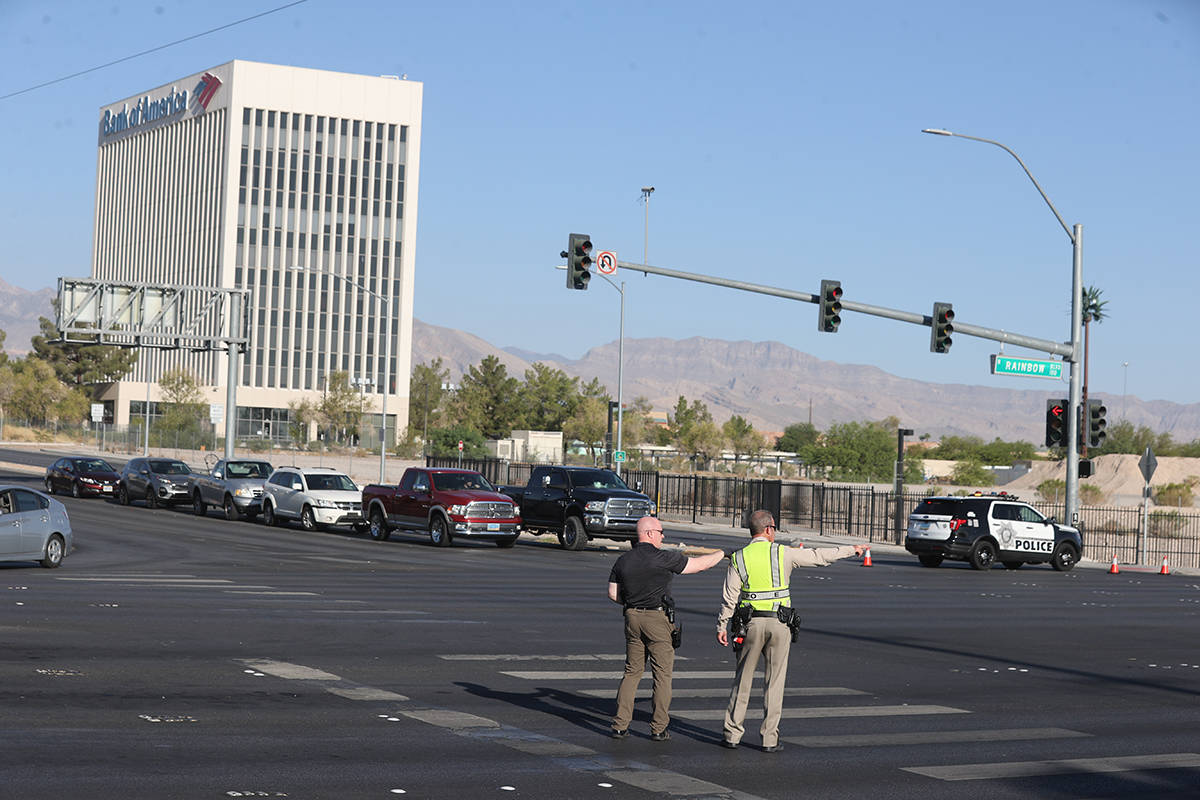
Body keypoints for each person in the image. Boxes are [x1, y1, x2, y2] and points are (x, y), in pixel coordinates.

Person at [715, 509, 865, 752]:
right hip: (779, 624)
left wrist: (722, 624)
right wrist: (850, 549)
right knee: (774, 682)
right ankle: (769, 739)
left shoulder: (739, 557)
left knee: (742, 680)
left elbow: (729, 596)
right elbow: (819, 556)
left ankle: (732, 734)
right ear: (768, 529)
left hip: (749, 625)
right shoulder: (783, 553)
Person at [608, 516, 726, 741]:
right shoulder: (663, 558)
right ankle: (658, 728)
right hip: (657, 618)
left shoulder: (623, 560)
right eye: (661, 531)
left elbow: (613, 594)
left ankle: (620, 725)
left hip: (632, 616)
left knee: (632, 672)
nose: (663, 535)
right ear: (650, 533)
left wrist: (633, 602)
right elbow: (699, 565)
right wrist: (723, 553)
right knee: (662, 675)